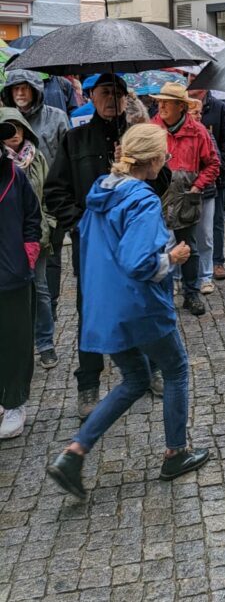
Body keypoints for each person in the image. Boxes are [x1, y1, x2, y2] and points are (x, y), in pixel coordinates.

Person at [46, 124, 209, 499]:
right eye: (164, 154)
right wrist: (173, 257)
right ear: (152, 160)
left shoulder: (102, 191)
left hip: (105, 305)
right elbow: (140, 263)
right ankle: (175, 452)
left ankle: (74, 453)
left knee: (135, 379)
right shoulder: (143, 199)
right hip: (139, 305)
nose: (167, 159)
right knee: (176, 369)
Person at [45, 73, 133, 419]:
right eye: (105, 93)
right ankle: (89, 383)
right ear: (92, 97)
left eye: (118, 93)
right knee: (92, 311)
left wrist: (131, 162)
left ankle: (145, 369)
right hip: (92, 245)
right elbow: (55, 191)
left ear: (126, 98)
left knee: (139, 305)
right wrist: (80, 224)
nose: (112, 99)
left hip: (131, 239)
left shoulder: (137, 137)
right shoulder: (75, 139)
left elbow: (163, 183)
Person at [151, 82, 220, 317]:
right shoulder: (152, 128)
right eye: (159, 101)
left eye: (166, 102)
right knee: (158, 246)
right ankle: (161, 293)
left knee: (188, 246)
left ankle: (191, 293)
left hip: (186, 195)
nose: (161, 106)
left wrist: (197, 186)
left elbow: (213, 164)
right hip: (158, 196)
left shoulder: (198, 131)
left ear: (181, 106)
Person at [0, 108, 57, 369]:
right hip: (8, 244)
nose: (14, 135)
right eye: (8, 129)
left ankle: (45, 343)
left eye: (18, 128)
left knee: (40, 291)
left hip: (37, 237)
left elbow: (48, 195)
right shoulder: (4, 166)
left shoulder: (37, 159)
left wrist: (49, 223)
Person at [0, 117, 42, 439]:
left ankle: (15, 401)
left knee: (15, 339)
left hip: (11, 273)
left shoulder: (13, 174)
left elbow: (32, 215)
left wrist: (28, 252)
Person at [189, 87, 225, 281]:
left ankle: (216, 263)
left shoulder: (220, 107)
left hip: (214, 178)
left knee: (213, 225)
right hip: (190, 182)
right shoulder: (181, 110)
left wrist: (220, 169)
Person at [2, 69, 69, 168]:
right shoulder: (4, 120)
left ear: (35, 90)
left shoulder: (57, 117)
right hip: (18, 180)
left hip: (53, 179)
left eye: (25, 88)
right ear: (10, 92)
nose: (20, 93)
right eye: (16, 88)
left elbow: (70, 152)